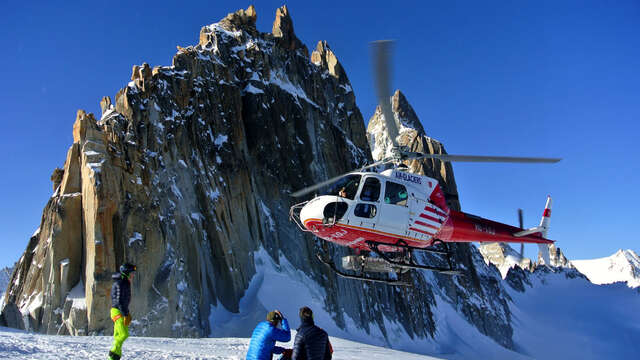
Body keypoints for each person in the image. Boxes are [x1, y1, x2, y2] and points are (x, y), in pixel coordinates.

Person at [108, 263, 136, 360]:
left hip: (120, 311)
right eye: (132, 273)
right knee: (124, 334)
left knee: (118, 335)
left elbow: (123, 301)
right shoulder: (120, 283)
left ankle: (116, 357)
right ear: (127, 273)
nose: (133, 275)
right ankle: (113, 353)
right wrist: (126, 314)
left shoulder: (124, 282)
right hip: (117, 311)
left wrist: (126, 313)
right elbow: (119, 301)